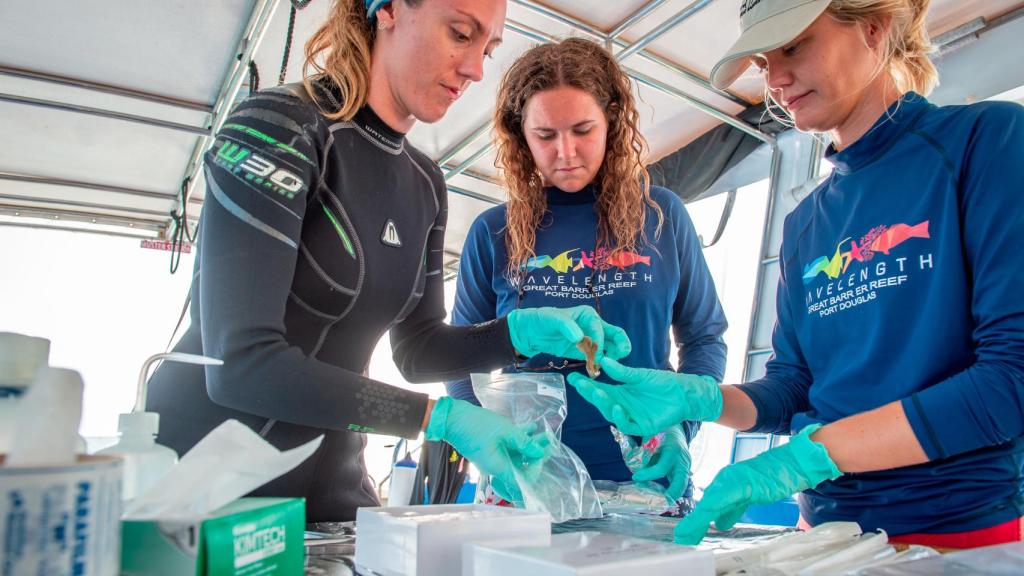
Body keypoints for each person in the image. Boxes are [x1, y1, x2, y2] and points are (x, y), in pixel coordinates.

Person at [146, 0, 628, 522]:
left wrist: (520, 333)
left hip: (335, 494)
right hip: (204, 491)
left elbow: (417, 351)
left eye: (487, 49)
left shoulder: (425, 183)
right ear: (390, 9)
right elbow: (240, 365)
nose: (475, 69)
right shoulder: (280, 128)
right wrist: (436, 418)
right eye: (459, 34)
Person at [569, 0, 1024, 548]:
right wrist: (702, 400)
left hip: (957, 531)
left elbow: (1012, 378)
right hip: (822, 532)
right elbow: (794, 388)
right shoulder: (805, 222)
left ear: (873, 28)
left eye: (793, 47)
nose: (775, 80)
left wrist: (809, 457)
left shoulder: (986, 141)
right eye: (764, 62)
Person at [446, 37, 727, 503]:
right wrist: (488, 444)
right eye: (545, 135)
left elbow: (704, 339)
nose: (566, 152)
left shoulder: (662, 216)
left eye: (582, 130)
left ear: (612, 119)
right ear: (520, 134)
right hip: (527, 483)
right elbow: (457, 359)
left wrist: (682, 426)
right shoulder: (492, 232)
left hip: (644, 481)